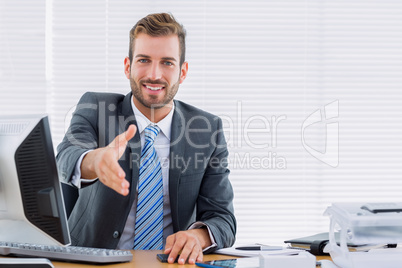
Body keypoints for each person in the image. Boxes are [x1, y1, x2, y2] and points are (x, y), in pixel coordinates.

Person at [56, 12, 236, 265]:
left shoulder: (207, 130)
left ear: (183, 72)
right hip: (91, 263)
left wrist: (198, 237)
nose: (154, 74)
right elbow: (66, 155)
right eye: (144, 60)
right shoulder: (96, 108)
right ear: (128, 66)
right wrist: (95, 162)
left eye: (167, 63)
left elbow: (223, 218)